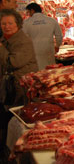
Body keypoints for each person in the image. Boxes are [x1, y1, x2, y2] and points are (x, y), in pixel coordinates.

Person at [0, 9, 38, 153]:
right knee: (8, 119)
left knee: (17, 120)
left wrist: (1, 49)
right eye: (3, 23)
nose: (6, 26)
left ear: (18, 24)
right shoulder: (6, 40)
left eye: (10, 23)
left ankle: (16, 150)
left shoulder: (23, 41)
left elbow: (13, 62)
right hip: (10, 87)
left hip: (21, 87)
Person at [22, 3, 63, 70]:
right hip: (48, 51)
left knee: (37, 74)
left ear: (32, 10)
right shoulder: (52, 21)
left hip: (33, 52)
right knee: (49, 72)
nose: (28, 14)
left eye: (28, 12)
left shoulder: (26, 22)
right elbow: (59, 36)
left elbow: (23, 38)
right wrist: (57, 46)